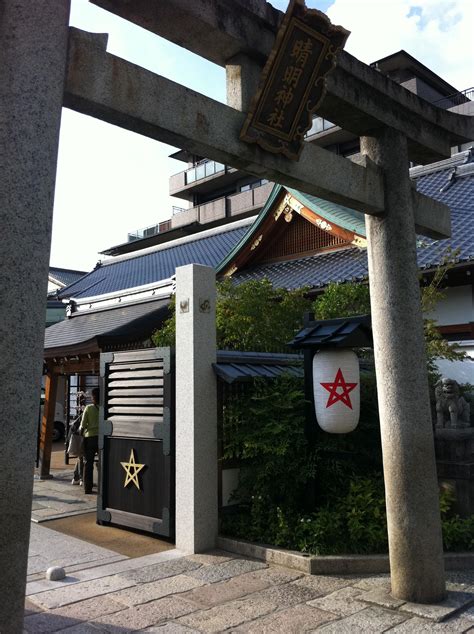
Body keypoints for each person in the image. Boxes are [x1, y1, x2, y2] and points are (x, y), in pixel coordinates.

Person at [80, 387, 100, 494]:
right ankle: (102, 485)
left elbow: (82, 425)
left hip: (90, 438)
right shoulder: (104, 409)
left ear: (93, 397)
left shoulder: (88, 408)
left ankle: (88, 487)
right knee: (102, 462)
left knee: (88, 463)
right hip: (101, 438)